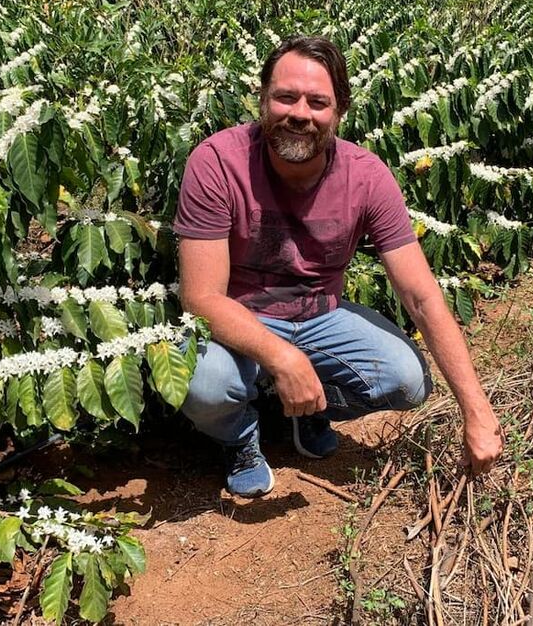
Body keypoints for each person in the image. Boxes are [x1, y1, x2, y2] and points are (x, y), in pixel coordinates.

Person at [173, 35, 503, 498]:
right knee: (205, 387)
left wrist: (477, 410)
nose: (299, 114)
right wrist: (283, 357)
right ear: (263, 99)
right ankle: (239, 436)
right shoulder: (218, 162)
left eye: (317, 102)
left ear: (340, 111)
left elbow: (421, 296)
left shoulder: (366, 176)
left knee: (405, 381)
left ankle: (303, 409)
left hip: (318, 316)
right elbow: (201, 297)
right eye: (285, 97)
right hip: (238, 317)